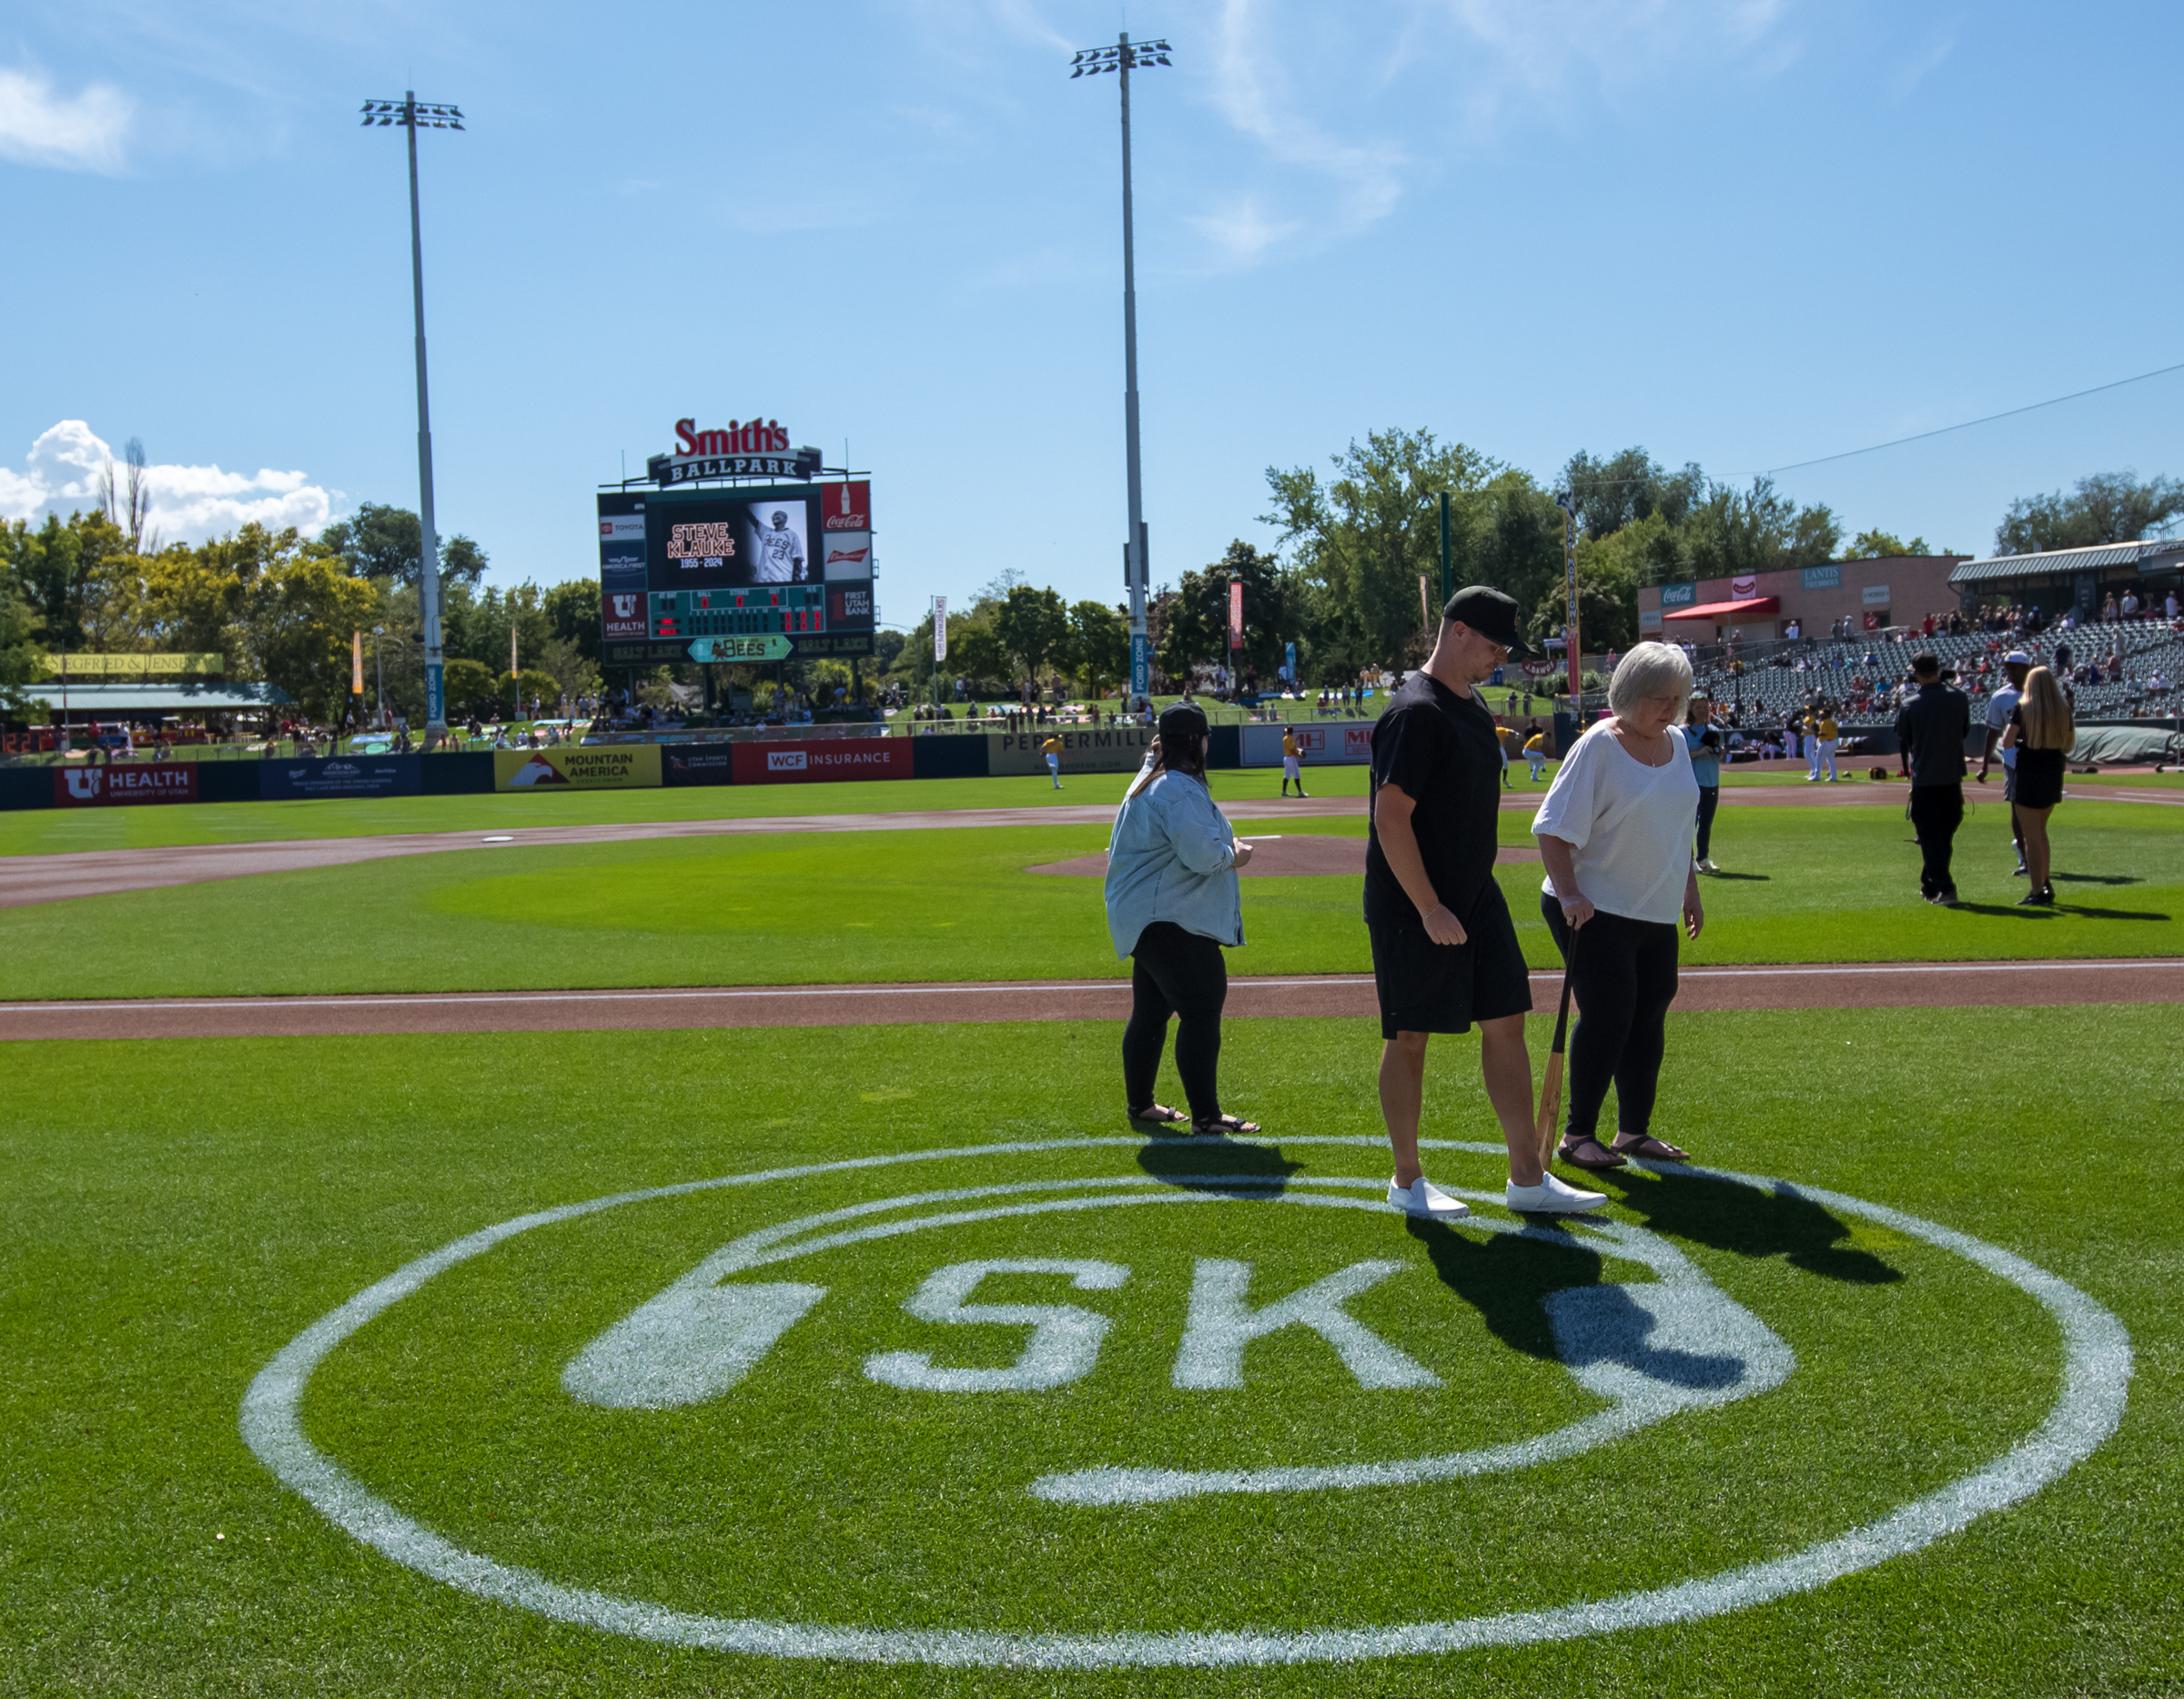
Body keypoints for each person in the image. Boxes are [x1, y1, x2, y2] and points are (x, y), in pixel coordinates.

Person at [1367, 585, 1604, 1219]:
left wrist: (1460, 899)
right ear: (1460, 631)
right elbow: (1391, 821)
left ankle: (1527, 1175)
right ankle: (1406, 1179)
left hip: (1476, 894)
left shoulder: (1472, 708)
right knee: (1409, 1033)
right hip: (1414, 902)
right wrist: (1427, 906)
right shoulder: (1414, 712)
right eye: (1496, 645)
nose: (1501, 658)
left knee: (1506, 1019)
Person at [1532, 642, 1704, 1171]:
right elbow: (1551, 829)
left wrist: (1689, 889)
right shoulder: (1598, 746)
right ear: (1628, 695)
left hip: (1654, 909)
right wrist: (1570, 895)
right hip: (1593, 907)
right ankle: (1577, 1134)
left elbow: (1680, 828)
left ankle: (1633, 1132)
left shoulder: (1676, 743)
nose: (1671, 710)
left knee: (1648, 1014)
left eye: (1678, 698)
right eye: (1659, 698)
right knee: (1609, 1013)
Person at [1103, 703, 1259, 1138]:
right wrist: (1236, 855)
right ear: (1197, 741)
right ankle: (1206, 1117)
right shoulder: (1177, 788)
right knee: (1202, 1008)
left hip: (1147, 916)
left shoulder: (1151, 778)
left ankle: (1141, 1105)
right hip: (1171, 917)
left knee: (1152, 1012)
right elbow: (1202, 856)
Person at [1894, 652, 1972, 905]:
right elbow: (1964, 731)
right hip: (1951, 778)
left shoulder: (1909, 704)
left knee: (1930, 838)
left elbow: (1904, 739)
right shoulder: (1959, 698)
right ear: (1938, 669)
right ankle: (1930, 884)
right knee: (1943, 837)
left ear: (1916, 673)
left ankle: (1946, 888)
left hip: (1925, 781)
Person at [2001, 666, 2072, 906]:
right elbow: (2070, 744)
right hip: (2053, 771)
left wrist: (2025, 738)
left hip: (2029, 772)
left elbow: (2007, 741)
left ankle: (2036, 889)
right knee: (2041, 831)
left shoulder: (2024, 708)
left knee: (2031, 835)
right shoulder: (2063, 709)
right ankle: (2045, 882)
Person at [1979, 650, 2033, 875]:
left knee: (2038, 808)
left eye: (2015, 667)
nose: (2010, 671)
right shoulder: (2001, 697)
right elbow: (1993, 732)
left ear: (2027, 668)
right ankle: (2023, 853)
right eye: (2008, 667)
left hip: (2040, 758)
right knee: (2016, 806)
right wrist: (1985, 765)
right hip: (2014, 760)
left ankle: (2033, 851)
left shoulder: (2041, 692)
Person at [1684, 690, 1724, 872]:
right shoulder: (1683, 732)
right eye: (1698, 707)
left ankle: (1703, 858)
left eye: (1704, 707)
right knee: (1689, 823)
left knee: (1706, 822)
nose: (1702, 710)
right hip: (1693, 782)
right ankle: (1688, 859)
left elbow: (1720, 754)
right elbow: (1681, 756)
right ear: (1691, 709)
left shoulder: (1714, 731)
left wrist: (1718, 751)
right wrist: (1700, 751)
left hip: (1711, 780)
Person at [1280, 726, 1309, 797]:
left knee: (1287, 775)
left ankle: (1283, 792)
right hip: (1291, 758)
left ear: (1288, 732)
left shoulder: (1285, 738)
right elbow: (1292, 750)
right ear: (1292, 732)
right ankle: (1300, 792)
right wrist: (1299, 756)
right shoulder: (1292, 739)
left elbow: (1293, 748)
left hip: (1286, 758)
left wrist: (1299, 750)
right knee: (1297, 774)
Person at [1815, 707, 1840, 782]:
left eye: (1822, 713)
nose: (1820, 715)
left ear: (1826, 714)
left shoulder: (1825, 722)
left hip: (1826, 742)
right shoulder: (1833, 721)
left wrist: (1816, 731)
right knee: (1831, 760)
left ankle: (1817, 776)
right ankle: (1834, 777)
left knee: (1819, 759)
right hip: (1833, 741)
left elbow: (1823, 733)